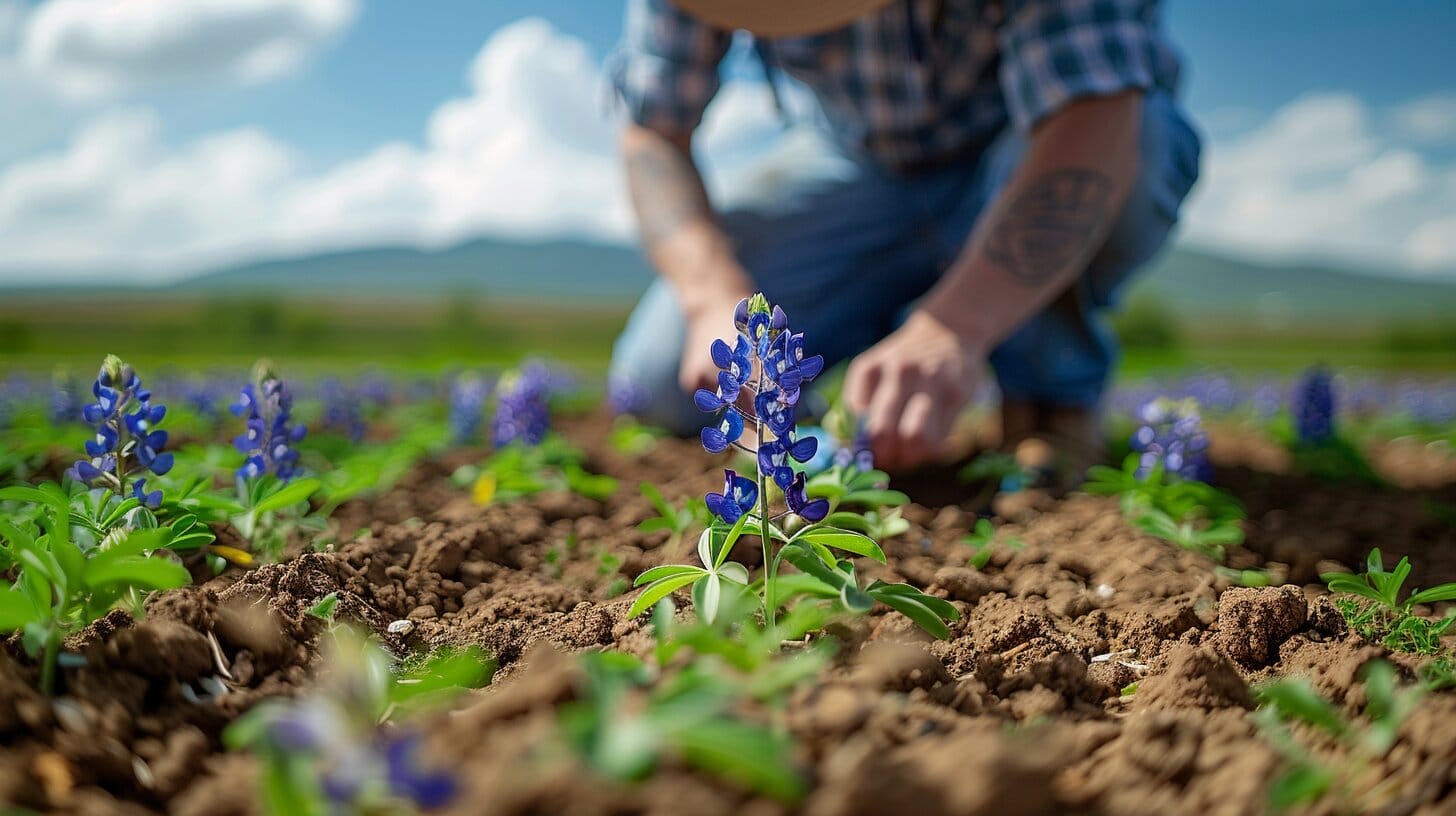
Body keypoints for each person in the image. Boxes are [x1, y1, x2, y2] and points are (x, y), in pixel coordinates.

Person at [607, 0, 1200, 487]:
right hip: (855, 161)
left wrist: (954, 328)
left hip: (1027, 142)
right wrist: (711, 296)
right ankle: (817, 438)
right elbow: (652, 130)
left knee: (1140, 137)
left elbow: (1097, 106)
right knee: (666, 379)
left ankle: (1049, 398)